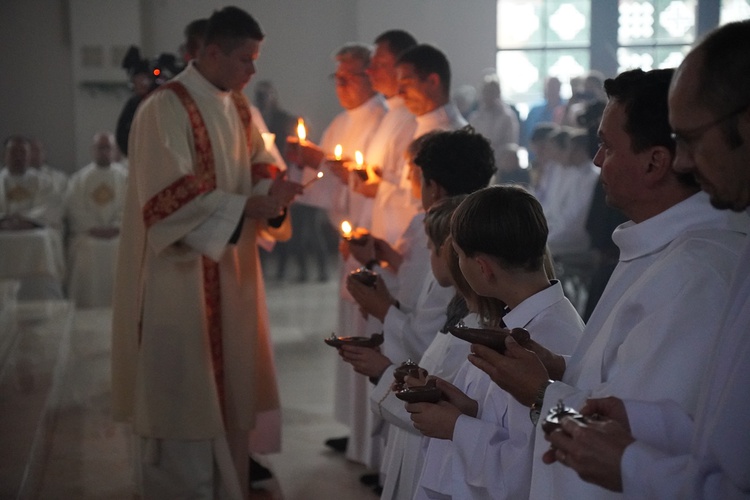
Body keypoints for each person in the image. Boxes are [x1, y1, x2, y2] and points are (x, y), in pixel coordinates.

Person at [466, 68, 749, 499]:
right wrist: (561, 366)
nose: (597, 160)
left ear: (654, 161)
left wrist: (542, 393)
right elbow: (628, 383)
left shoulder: (696, 271)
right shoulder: (658, 244)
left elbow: (672, 436)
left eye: (606, 146)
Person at [542, 20, 750, 498]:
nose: (684, 161)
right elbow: (719, 430)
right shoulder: (665, 248)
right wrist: (634, 414)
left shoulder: (695, 271)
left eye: (692, 140)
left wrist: (633, 461)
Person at [110, 7, 303, 498]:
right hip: (180, 284)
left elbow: (263, 162)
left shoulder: (238, 107)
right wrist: (249, 204)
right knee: (184, 406)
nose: (253, 72)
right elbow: (167, 200)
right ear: (211, 53)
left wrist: (275, 195)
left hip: (233, 280)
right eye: (246, 59)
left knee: (230, 407)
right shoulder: (164, 108)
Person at [408, 185, 583, 499]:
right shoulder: (518, 319)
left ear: (483, 267)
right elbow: (511, 422)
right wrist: (468, 408)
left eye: (459, 255)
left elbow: (528, 470)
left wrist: (455, 427)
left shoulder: (549, 336)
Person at [64, 132, 127, 308]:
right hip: (88, 235)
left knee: (121, 247)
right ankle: (85, 304)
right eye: (101, 147)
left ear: (114, 150)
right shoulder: (78, 179)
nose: (104, 152)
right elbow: (74, 208)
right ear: (93, 150)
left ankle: (121, 306)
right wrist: (93, 228)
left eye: (108, 148)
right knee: (85, 248)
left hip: (118, 234)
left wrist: (116, 227)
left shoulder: (126, 177)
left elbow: (130, 208)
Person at [468, 74, 520, 169]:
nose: (488, 96)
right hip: (479, 166)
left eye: (491, 92)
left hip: (501, 167)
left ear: (497, 94)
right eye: (486, 92)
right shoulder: (475, 118)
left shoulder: (507, 117)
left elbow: (511, 144)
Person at [523, 76, 565, 148]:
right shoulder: (534, 111)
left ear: (559, 89)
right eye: (548, 88)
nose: (551, 91)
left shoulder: (566, 110)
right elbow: (527, 134)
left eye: (553, 88)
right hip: (535, 154)